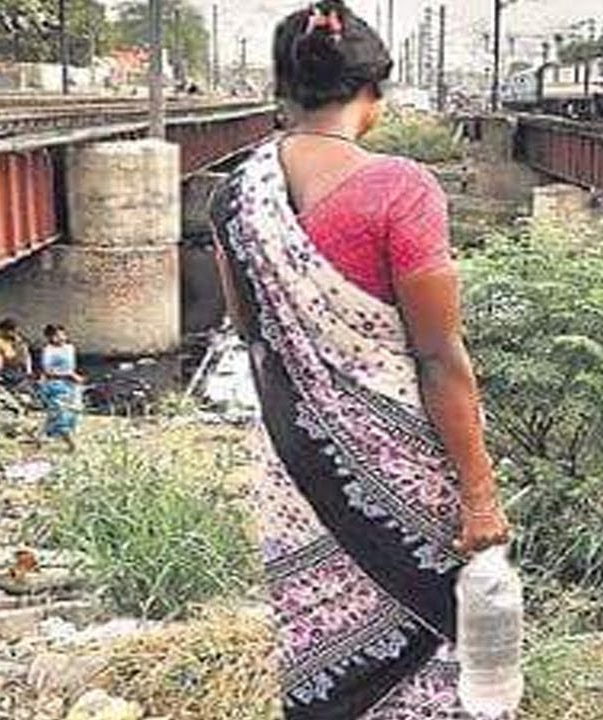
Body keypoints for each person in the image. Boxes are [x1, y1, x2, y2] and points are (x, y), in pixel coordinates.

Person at [209, 2, 511, 717]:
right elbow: (438, 356)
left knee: (319, 642)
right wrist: (479, 494)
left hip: (294, 466)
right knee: (433, 637)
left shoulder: (235, 196)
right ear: (373, 90)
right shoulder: (399, 188)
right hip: (407, 463)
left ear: (284, 89)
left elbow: (250, 330)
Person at [38, 324, 84, 451]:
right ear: (50, 337)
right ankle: (72, 445)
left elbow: (71, 366)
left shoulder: (70, 348)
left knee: (73, 413)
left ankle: (40, 437)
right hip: (55, 385)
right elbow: (47, 371)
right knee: (60, 414)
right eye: (57, 335)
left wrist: (73, 376)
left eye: (63, 334)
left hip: (71, 386)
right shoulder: (48, 350)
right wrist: (68, 375)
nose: (62, 337)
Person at [0, 318, 33, 391]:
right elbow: (8, 357)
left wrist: (28, 370)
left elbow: (27, 357)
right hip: (6, 373)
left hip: (19, 373)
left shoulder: (21, 343)